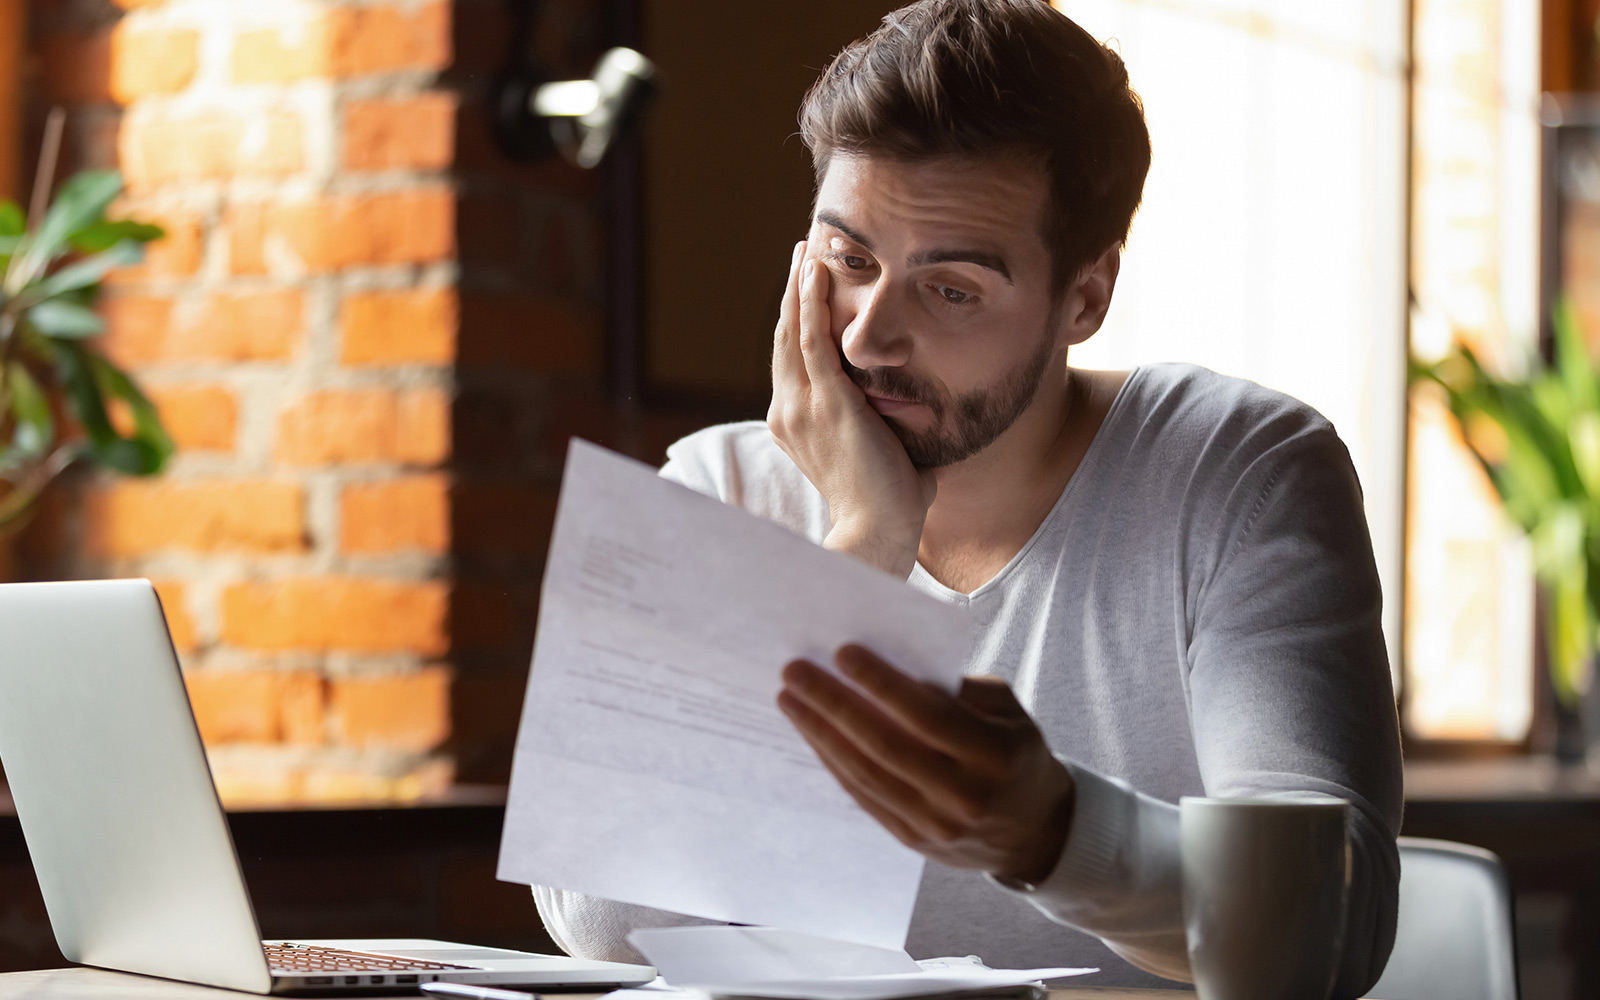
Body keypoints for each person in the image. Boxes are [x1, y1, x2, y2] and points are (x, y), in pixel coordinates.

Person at [534, 0, 1403, 994]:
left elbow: (1327, 928)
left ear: (1085, 297)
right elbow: (603, 917)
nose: (865, 338)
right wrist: (863, 544)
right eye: (848, 261)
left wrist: (1055, 834)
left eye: (950, 290)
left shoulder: (1240, 469)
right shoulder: (716, 486)